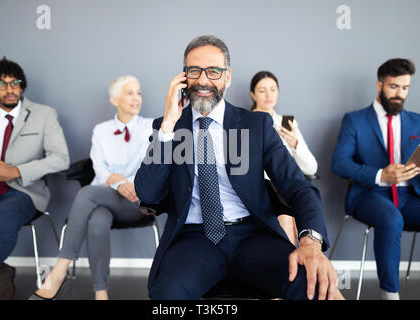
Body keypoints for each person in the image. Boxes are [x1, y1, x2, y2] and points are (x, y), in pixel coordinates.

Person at [134, 35, 344, 300]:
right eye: (194, 71)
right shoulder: (167, 127)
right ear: (183, 76)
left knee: (312, 285)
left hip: (252, 237)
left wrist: (310, 241)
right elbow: (148, 194)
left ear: (228, 77)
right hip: (193, 239)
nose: (203, 80)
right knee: (168, 295)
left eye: (213, 71)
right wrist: (167, 126)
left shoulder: (256, 126)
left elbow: (298, 187)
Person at [30, 75, 153, 300]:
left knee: (87, 192)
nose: (136, 98)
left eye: (139, 93)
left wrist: (127, 183)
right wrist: (117, 182)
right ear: (114, 100)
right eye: (129, 93)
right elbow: (100, 169)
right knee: (97, 220)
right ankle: (100, 292)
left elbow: (152, 166)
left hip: (136, 201)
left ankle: (59, 271)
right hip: (105, 197)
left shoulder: (150, 127)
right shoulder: (101, 130)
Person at [0, 57, 70, 300]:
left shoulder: (44, 114)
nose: (10, 88)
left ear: (22, 85)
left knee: (3, 220)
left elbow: (60, 159)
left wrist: (15, 171)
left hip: (23, 192)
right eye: (1, 84)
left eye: (15, 82)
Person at [332, 58, 420, 300]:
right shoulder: (355, 120)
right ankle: (390, 295)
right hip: (370, 194)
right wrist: (381, 174)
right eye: (394, 87)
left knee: (396, 216)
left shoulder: (417, 121)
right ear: (379, 85)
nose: (399, 94)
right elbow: (339, 163)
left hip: (409, 195)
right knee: (391, 220)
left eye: (405, 88)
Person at [250, 70, 318, 245]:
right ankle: (291, 267)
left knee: (304, 222)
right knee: (289, 220)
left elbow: (311, 168)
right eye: (262, 90)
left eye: (273, 89)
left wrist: (295, 145)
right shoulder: (245, 123)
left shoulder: (287, 124)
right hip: (264, 189)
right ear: (253, 94)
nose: (268, 95)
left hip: (287, 187)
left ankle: (305, 265)